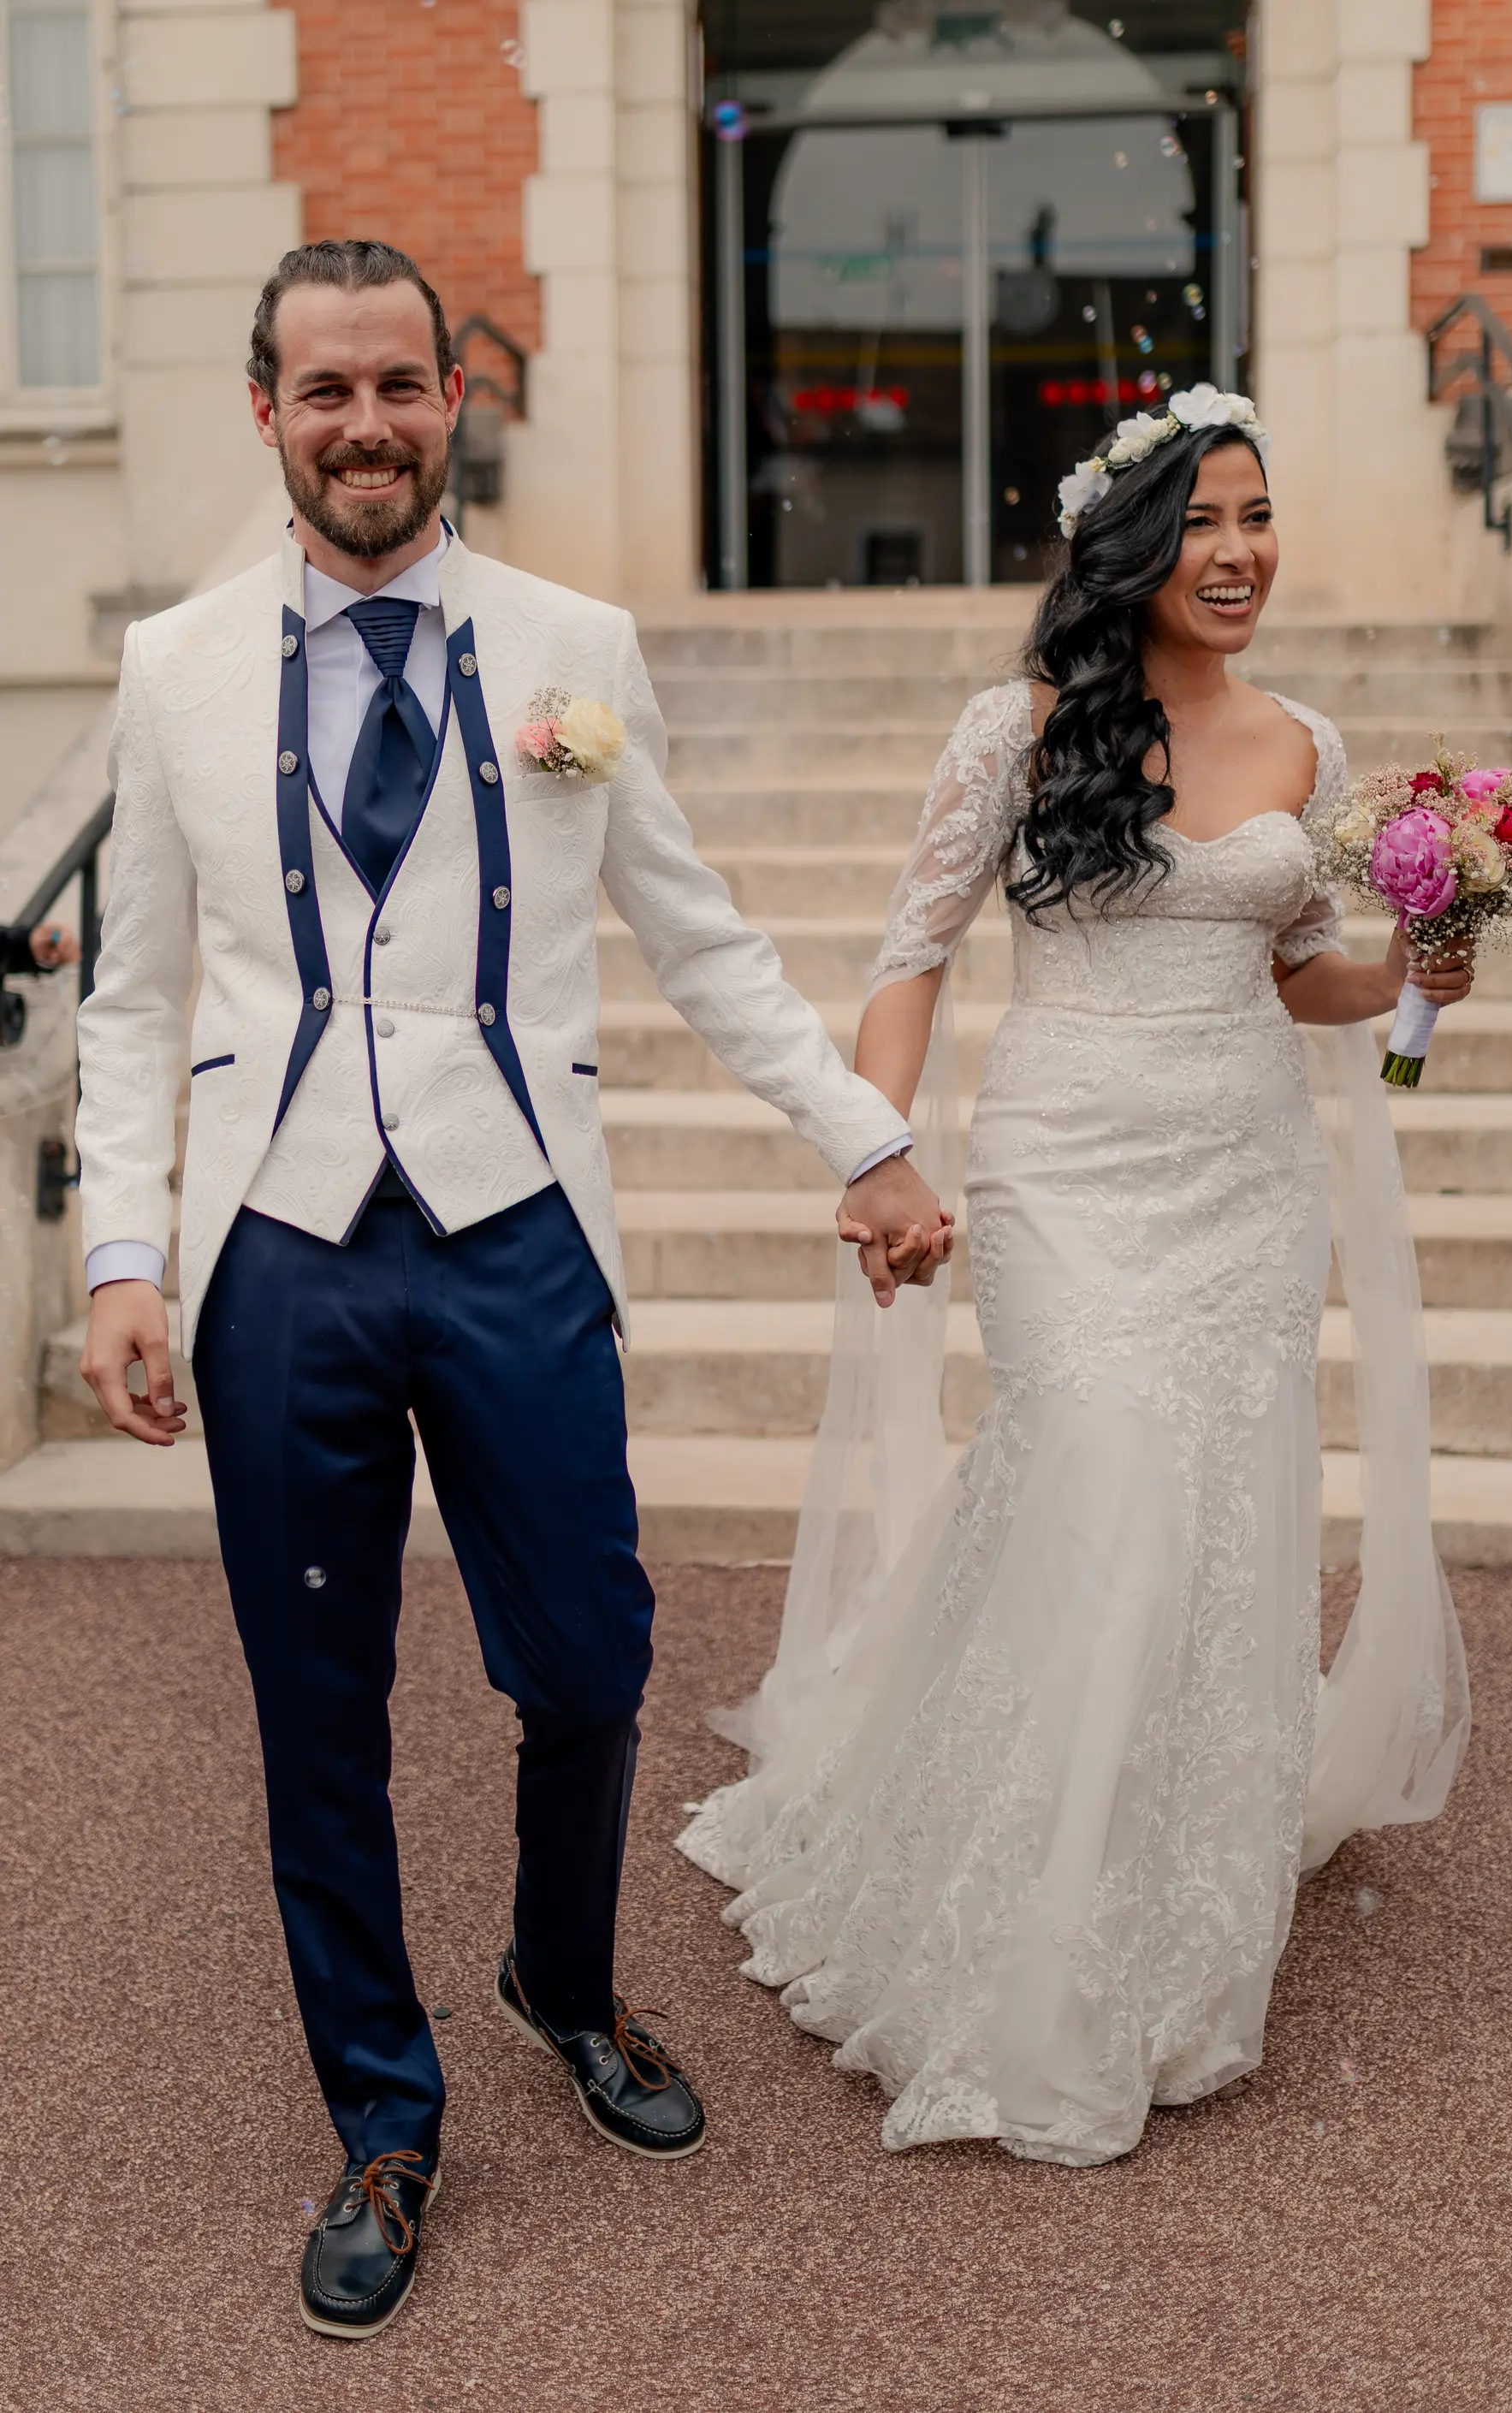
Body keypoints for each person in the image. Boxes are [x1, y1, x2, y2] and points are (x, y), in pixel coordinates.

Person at [73, 238, 948, 2339]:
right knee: (318, 1712)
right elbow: (130, 995)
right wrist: (122, 1254)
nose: (365, 423)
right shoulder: (173, 667)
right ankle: (384, 2116)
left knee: (588, 1655)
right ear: (266, 411)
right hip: (279, 1248)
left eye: (400, 383)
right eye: (325, 390)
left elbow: (700, 937)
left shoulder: (575, 648)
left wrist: (865, 1135)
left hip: (516, 1223)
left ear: (452, 395)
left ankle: (562, 1972)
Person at [679, 390, 1473, 2168]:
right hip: (1065, 1175)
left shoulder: (1308, 748)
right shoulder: (1020, 729)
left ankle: (1157, 1895)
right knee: (1102, 1476)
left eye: (1258, 517)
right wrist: (876, 1153)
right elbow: (913, 956)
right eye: (1203, 522)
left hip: (1246, 1185)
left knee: (1206, 1523)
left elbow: (1312, 978)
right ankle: (1005, 1920)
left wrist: (1424, 979)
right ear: (1128, 547)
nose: (1239, 552)